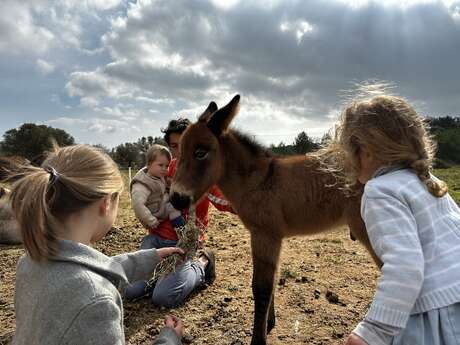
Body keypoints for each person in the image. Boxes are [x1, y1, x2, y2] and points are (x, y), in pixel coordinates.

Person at [9, 144, 184, 345]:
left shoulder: (29, 261)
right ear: (106, 203)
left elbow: (79, 272)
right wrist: (168, 340)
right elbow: (87, 283)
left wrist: (148, 258)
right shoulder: (96, 302)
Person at [324, 95, 460, 345]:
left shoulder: (380, 190)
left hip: (435, 317)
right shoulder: (427, 180)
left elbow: (405, 266)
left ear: (364, 151)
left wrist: (373, 332)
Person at [125, 118, 234, 307]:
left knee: (163, 297)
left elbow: (224, 200)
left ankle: (202, 263)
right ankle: (160, 277)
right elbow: (145, 180)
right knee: (131, 291)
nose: (180, 151)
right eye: (175, 146)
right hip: (157, 239)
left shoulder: (203, 171)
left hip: (183, 242)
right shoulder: (166, 168)